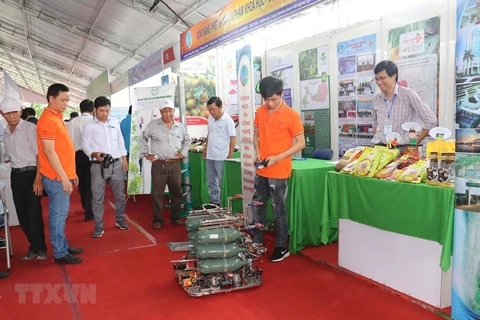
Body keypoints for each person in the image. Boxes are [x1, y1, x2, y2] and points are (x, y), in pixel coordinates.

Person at [251, 76, 305, 263]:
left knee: (278, 209)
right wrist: (257, 152)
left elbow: (301, 143)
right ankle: (257, 243)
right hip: (261, 169)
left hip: (279, 170)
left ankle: (281, 247)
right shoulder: (260, 111)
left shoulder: (292, 115)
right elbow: (256, 136)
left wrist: (279, 157)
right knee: (258, 206)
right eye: (266, 100)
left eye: (273, 99)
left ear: (281, 95)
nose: (270, 103)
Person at [37, 83, 84, 264]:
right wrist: (64, 177)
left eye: (67, 100)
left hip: (62, 175)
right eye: (63, 100)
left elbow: (63, 149)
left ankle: (62, 244)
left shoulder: (56, 117)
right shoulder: (48, 120)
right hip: (56, 177)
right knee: (58, 215)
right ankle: (59, 253)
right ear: (51, 98)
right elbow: (49, 152)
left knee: (62, 214)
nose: (66, 103)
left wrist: (71, 173)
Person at [0, 97, 47, 260]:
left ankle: (41, 248)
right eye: (8, 113)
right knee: (21, 214)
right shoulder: (5, 132)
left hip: (32, 174)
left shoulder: (29, 128)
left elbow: (38, 154)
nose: (12, 116)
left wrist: (38, 178)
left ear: (20, 111)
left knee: (33, 212)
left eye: (15, 112)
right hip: (16, 175)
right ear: (2, 114)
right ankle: (33, 246)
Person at [82, 96, 129, 238]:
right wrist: (93, 153)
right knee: (97, 197)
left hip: (116, 163)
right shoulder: (89, 126)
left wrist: (124, 158)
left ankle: (120, 220)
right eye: (101, 111)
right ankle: (98, 226)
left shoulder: (115, 122)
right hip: (98, 165)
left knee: (120, 195)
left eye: (107, 110)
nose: (105, 114)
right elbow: (84, 145)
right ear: (95, 110)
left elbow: (120, 140)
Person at [140, 99, 191, 230]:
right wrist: (146, 154)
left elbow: (187, 140)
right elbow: (143, 138)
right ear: (160, 112)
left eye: (170, 111)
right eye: (165, 111)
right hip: (159, 165)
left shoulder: (180, 127)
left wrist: (183, 153)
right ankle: (158, 219)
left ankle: (176, 217)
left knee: (177, 192)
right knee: (158, 193)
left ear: (174, 111)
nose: (167, 114)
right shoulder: (152, 125)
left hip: (174, 165)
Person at [371, 60, 437, 145]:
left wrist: (414, 143)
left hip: (402, 149)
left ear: (394, 76)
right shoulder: (376, 99)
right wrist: (378, 137)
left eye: (383, 78)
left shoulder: (407, 94)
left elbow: (431, 120)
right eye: (377, 79)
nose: (379, 82)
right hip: (380, 149)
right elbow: (375, 122)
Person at [202, 97, 236, 206]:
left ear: (221, 107)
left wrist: (230, 154)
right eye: (209, 110)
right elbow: (209, 134)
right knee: (211, 181)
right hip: (210, 156)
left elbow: (233, 138)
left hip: (222, 156)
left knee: (222, 182)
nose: (211, 112)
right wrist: (205, 149)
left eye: (213, 109)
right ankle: (214, 202)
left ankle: (224, 204)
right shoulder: (210, 119)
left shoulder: (228, 120)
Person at [68, 99, 94, 221]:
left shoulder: (72, 122)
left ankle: (85, 205)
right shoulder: (92, 121)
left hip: (76, 155)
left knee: (82, 181)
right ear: (93, 109)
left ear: (80, 109)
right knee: (90, 183)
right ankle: (89, 211)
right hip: (90, 155)